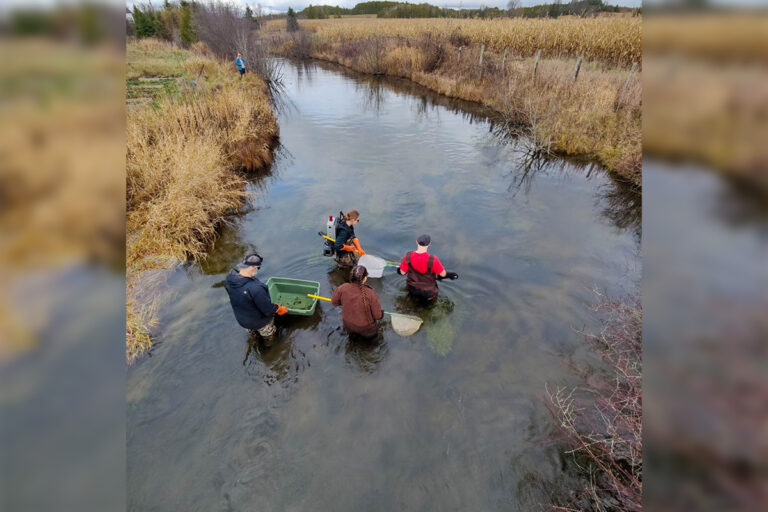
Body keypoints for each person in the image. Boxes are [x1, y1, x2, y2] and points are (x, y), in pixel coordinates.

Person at [224, 253, 287, 341]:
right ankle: (269, 346)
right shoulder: (255, 288)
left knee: (252, 332)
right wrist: (278, 308)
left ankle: (253, 339)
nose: (257, 269)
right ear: (254, 268)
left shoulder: (229, 278)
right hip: (259, 322)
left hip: (242, 320)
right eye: (258, 267)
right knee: (268, 335)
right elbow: (268, 310)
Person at [397, 234, 458, 302]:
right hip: (428, 293)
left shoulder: (408, 256)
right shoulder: (433, 260)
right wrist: (452, 275)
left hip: (412, 289)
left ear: (416, 242)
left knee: (413, 302)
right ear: (429, 244)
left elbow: (402, 272)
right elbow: (443, 275)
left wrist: (399, 270)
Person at [331, 265, 383, 339]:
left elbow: (334, 302)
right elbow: (377, 316)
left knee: (353, 341)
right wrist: (382, 314)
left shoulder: (343, 287)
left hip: (349, 325)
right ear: (365, 278)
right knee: (373, 345)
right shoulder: (371, 293)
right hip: (366, 329)